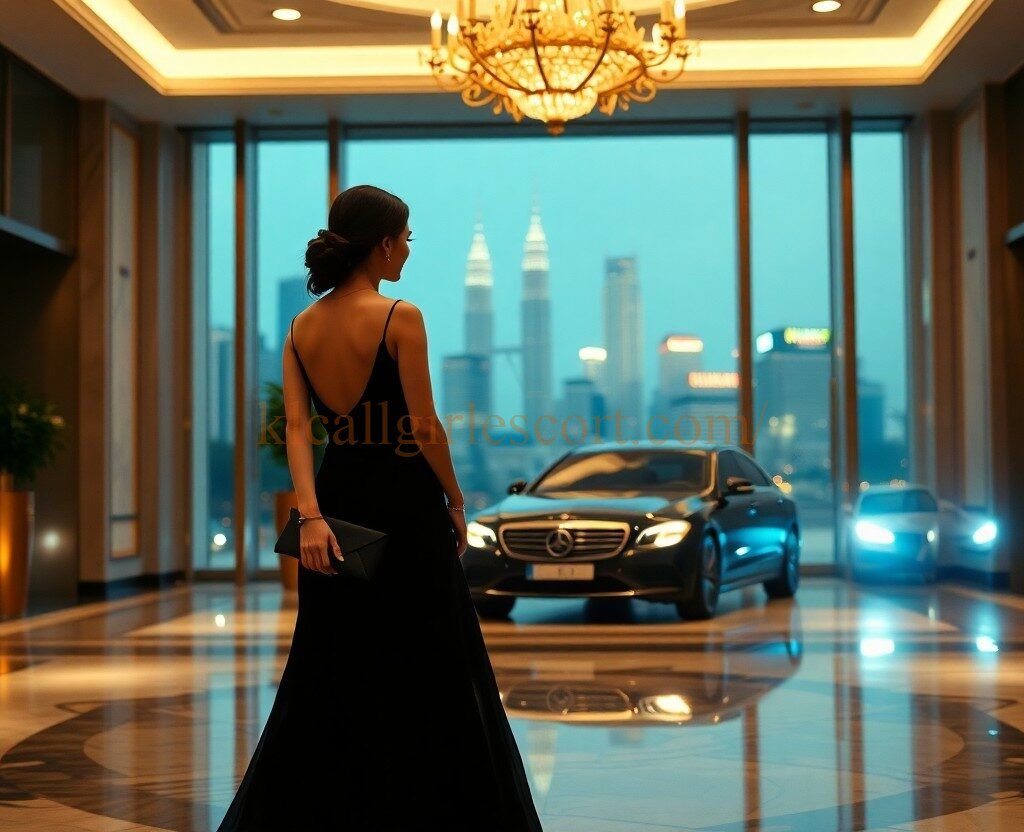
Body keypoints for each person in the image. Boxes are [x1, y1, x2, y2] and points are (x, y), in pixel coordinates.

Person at [216, 185, 545, 831]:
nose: (409, 250)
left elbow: (296, 429)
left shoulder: (301, 327)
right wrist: (456, 498)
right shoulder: (400, 316)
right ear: (384, 242)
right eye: (407, 238)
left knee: (335, 664)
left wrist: (309, 515)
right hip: (406, 506)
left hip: (338, 510)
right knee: (431, 663)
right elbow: (423, 426)